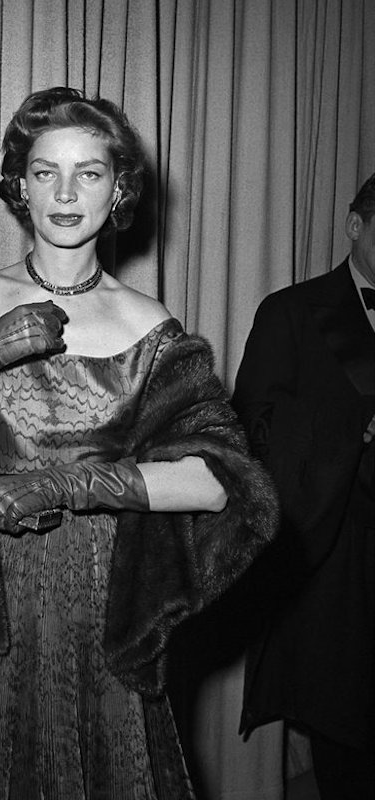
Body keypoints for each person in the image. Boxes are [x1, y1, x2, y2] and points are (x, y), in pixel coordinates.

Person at [0, 87, 278, 799]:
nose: (65, 192)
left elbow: (223, 481)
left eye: (88, 172)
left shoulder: (150, 326)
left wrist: (73, 485)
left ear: (118, 188)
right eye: (44, 171)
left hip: (108, 619)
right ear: (17, 185)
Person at [234, 173, 375, 798]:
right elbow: (249, 433)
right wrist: (354, 431)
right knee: (343, 751)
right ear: (355, 225)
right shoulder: (290, 311)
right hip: (337, 567)